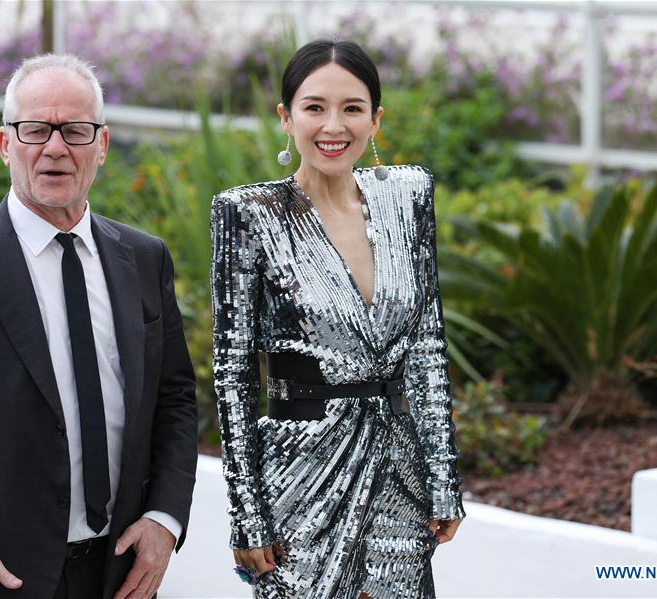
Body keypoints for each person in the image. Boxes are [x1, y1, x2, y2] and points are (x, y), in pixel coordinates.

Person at [0, 54, 198, 599]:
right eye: (34, 129)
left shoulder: (144, 259)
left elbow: (175, 399)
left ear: (102, 145)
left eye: (74, 130)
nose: (54, 148)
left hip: (117, 575)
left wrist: (165, 519)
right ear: (5, 144)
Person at [210, 39, 465, 598]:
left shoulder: (408, 195)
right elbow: (231, 375)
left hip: (399, 474)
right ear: (286, 118)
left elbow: (425, 344)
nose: (334, 125)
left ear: (376, 119)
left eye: (352, 108)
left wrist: (444, 477)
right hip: (299, 478)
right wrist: (247, 512)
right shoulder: (250, 213)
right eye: (314, 107)